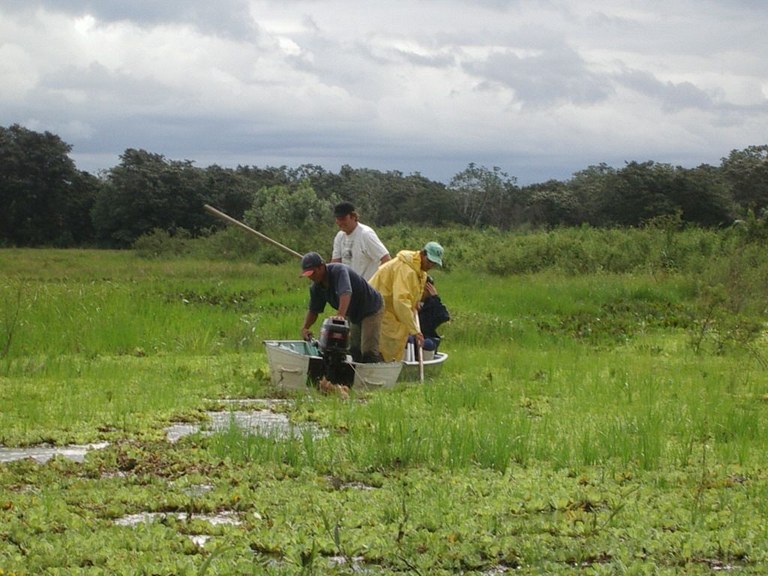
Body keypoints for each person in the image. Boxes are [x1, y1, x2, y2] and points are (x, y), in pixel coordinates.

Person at [299, 252, 384, 363]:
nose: (311, 277)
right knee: (353, 349)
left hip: (370, 308)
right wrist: (305, 327)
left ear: (321, 267)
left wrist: (340, 315)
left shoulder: (339, 271)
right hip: (353, 313)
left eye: (313, 273)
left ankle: (374, 375)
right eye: (308, 275)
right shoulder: (316, 287)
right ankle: (354, 377)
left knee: (368, 350)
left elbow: (346, 292)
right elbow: (314, 310)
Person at [369, 241, 444, 362]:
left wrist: (415, 304)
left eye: (434, 263)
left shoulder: (420, 272)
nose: (430, 265)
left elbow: (413, 295)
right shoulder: (406, 269)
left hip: (389, 310)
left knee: (394, 341)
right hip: (377, 307)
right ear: (422, 254)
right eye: (429, 261)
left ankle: (390, 371)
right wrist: (415, 330)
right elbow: (401, 300)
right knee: (383, 343)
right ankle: (379, 371)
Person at [331, 202, 391, 280]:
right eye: (338, 219)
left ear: (353, 217)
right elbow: (336, 263)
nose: (340, 222)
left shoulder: (366, 234)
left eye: (343, 219)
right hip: (349, 288)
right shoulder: (339, 236)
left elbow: (386, 259)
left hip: (368, 288)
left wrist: (376, 282)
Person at [418, 275, 450, 351]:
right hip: (407, 336)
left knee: (428, 343)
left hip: (426, 337)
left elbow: (444, 316)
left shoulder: (431, 304)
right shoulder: (408, 303)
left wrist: (435, 298)